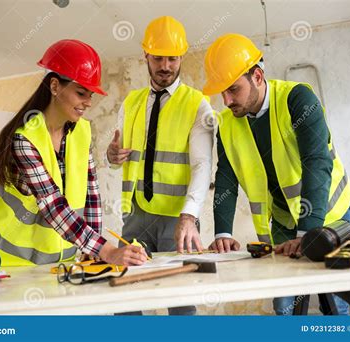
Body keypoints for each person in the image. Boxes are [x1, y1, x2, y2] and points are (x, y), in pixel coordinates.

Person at [203, 33, 350, 315]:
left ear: (258, 77)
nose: (225, 100)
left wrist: (308, 232)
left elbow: (316, 161)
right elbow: (225, 176)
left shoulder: (298, 98)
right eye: (221, 92)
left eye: (233, 90)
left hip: (332, 216)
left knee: (335, 303)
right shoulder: (227, 123)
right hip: (284, 222)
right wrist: (223, 232)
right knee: (285, 306)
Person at [0, 39, 147, 267]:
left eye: (90, 96)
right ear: (55, 87)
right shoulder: (24, 140)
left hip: (54, 265)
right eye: (80, 93)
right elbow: (53, 205)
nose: (87, 103)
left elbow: (91, 197)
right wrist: (107, 251)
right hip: (8, 262)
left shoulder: (82, 132)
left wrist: (92, 253)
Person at [106, 16, 213, 315]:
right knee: (127, 295)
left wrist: (189, 217)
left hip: (177, 220)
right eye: (158, 57)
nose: (165, 65)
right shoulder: (131, 103)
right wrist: (111, 157)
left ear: (181, 57)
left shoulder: (197, 104)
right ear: (146, 56)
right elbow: (118, 158)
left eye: (172, 58)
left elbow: (203, 165)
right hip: (137, 215)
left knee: (179, 300)